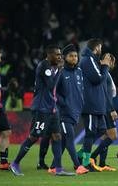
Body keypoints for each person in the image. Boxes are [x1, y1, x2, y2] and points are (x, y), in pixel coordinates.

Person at [9, 45, 74, 176]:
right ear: (49, 55)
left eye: (60, 54)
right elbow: (50, 86)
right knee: (34, 137)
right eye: (57, 54)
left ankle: (58, 168)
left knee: (57, 136)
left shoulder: (54, 67)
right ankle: (15, 163)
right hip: (41, 107)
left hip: (52, 107)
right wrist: (60, 70)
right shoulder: (44, 66)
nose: (60, 57)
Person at [47, 44, 89, 175]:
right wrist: (63, 102)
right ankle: (78, 166)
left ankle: (53, 166)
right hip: (63, 112)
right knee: (70, 138)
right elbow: (52, 90)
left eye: (76, 56)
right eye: (71, 56)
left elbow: (80, 90)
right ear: (65, 57)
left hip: (75, 111)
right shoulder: (60, 72)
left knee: (64, 141)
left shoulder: (79, 72)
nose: (74, 58)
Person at [79, 38, 111, 171]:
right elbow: (97, 79)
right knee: (90, 132)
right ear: (97, 47)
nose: (101, 50)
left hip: (97, 104)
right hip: (91, 104)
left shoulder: (93, 60)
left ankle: (81, 153)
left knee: (102, 130)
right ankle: (85, 162)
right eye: (100, 47)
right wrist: (105, 66)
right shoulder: (88, 60)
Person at [90, 53, 118, 171]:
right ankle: (92, 157)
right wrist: (111, 109)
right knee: (113, 136)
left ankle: (102, 163)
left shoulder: (105, 74)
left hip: (105, 108)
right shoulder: (105, 74)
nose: (112, 64)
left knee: (105, 136)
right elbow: (106, 94)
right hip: (107, 109)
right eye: (111, 61)